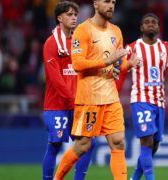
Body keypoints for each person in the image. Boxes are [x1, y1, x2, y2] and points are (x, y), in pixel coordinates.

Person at [53, 0, 139, 179]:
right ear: (96, 4)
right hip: (89, 98)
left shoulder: (116, 31)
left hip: (111, 98)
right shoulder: (83, 30)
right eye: (107, 1)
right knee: (82, 145)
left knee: (118, 143)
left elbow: (116, 66)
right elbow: (78, 64)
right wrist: (107, 60)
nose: (111, 6)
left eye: (114, 2)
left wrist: (128, 65)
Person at [116, 13, 168, 180]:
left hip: (159, 101)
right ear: (141, 28)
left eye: (154, 22)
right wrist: (115, 95)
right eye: (147, 22)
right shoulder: (131, 48)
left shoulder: (166, 47)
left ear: (159, 27)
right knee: (146, 141)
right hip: (140, 99)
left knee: (155, 144)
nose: (150, 24)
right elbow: (122, 73)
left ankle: (135, 177)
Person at [42, 1, 95, 180]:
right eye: (69, 14)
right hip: (57, 104)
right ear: (59, 18)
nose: (73, 18)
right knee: (55, 144)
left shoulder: (79, 43)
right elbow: (55, 78)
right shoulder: (51, 43)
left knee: (87, 143)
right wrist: (72, 99)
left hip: (78, 103)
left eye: (75, 15)